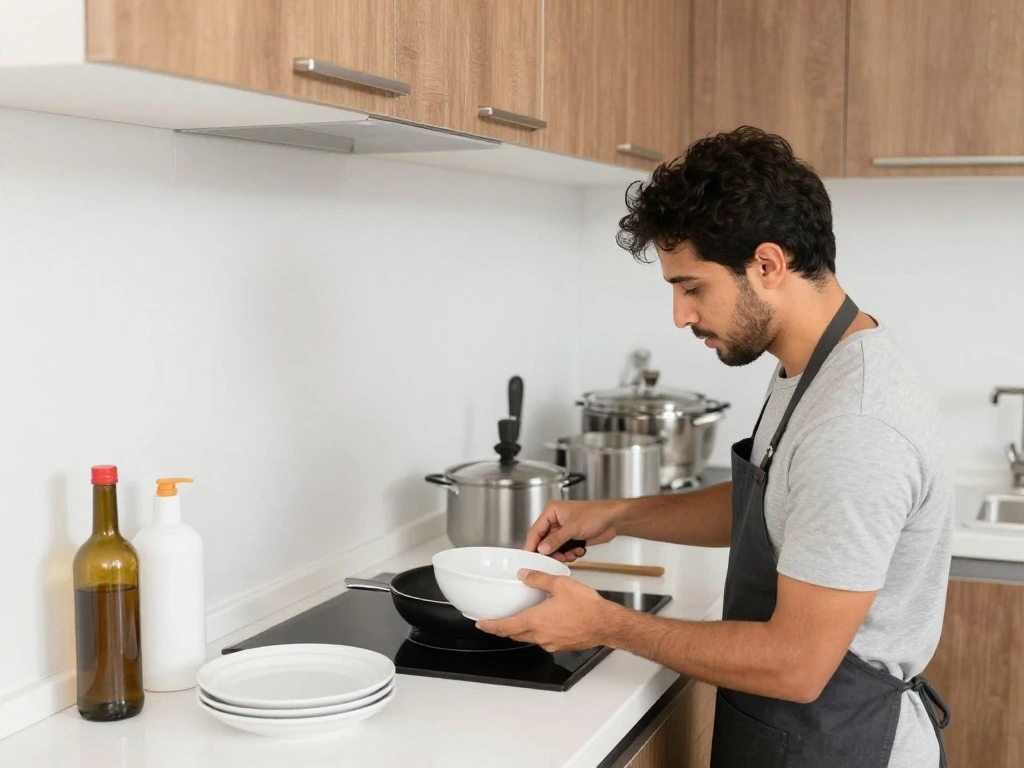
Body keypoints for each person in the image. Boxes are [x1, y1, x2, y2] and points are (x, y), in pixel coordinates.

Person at [476, 127, 953, 768]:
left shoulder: (855, 426)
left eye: (692, 287)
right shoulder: (814, 368)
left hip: (842, 747)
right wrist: (617, 514)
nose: (680, 314)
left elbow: (795, 666)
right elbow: (778, 501)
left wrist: (605, 623)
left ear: (768, 265)